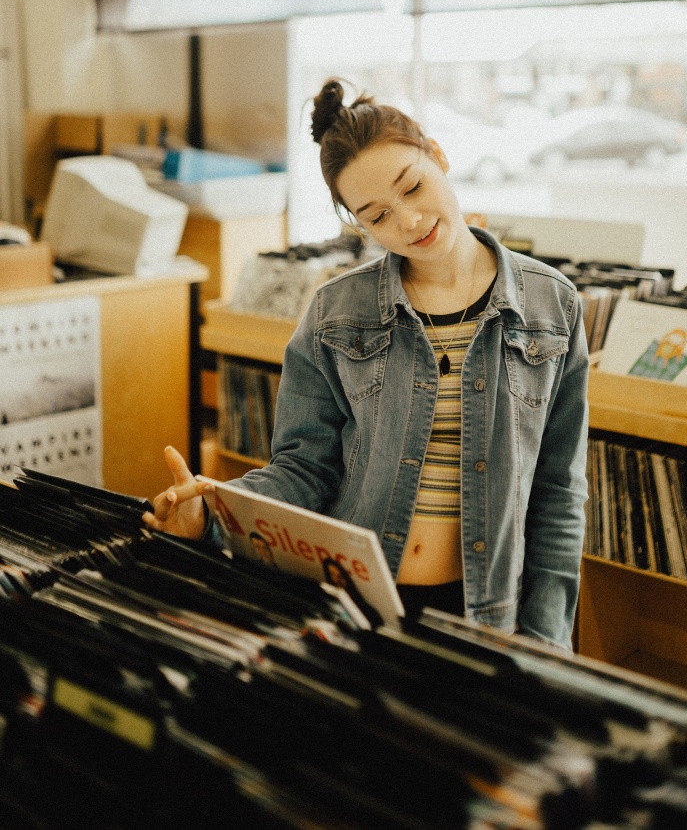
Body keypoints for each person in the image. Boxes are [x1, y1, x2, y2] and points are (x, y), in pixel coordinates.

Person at [144, 80, 589, 650]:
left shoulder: (552, 305)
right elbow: (305, 471)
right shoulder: (335, 312)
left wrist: (547, 641)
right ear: (358, 225)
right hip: (357, 608)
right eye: (377, 215)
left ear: (438, 155)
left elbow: (557, 491)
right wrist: (211, 514)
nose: (407, 222)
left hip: (488, 616)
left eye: (414, 187)